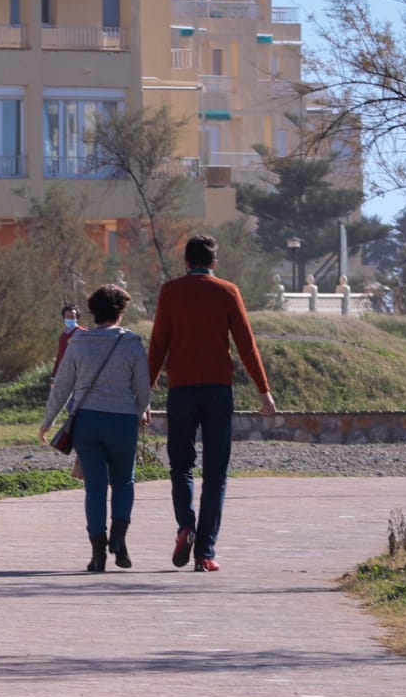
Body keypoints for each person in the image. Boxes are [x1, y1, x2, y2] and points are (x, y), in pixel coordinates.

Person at [146, 235, 278, 573]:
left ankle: (185, 524)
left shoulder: (170, 292)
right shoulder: (228, 291)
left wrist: (143, 395)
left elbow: (158, 345)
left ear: (186, 262)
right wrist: (264, 390)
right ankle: (205, 552)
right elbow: (247, 345)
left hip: (181, 391)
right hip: (219, 390)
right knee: (216, 474)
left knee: (181, 466)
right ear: (214, 263)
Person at [41, 283, 152, 573]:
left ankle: (97, 554)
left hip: (87, 422)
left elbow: (62, 385)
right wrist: (138, 412)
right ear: (121, 311)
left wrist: (48, 420)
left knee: (95, 488)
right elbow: (143, 389)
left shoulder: (79, 343)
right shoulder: (132, 343)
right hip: (123, 421)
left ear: (92, 312)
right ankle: (118, 538)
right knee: (124, 481)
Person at [54, 304, 82, 377]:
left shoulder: (82, 333)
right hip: (63, 373)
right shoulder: (63, 335)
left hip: (77, 374)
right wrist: (54, 374)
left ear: (77, 318)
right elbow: (59, 355)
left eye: (72, 316)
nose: (70, 318)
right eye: (67, 316)